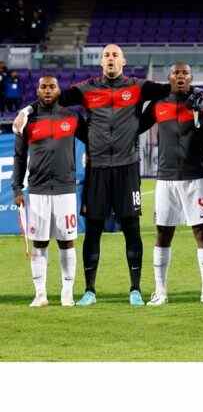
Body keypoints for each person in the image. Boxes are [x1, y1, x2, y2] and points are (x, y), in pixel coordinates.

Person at [13, 44, 171, 306]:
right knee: (94, 228)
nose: (110, 59)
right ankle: (89, 290)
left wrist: (137, 127)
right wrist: (27, 110)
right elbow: (52, 98)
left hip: (127, 167)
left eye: (115, 55)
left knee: (131, 227)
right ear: (101, 62)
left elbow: (167, 91)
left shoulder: (138, 87)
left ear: (123, 61)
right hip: (97, 168)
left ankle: (135, 289)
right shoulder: (87, 88)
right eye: (106, 55)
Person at [137, 62, 203, 306]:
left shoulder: (201, 101)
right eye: (176, 73)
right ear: (169, 77)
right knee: (163, 232)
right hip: (166, 178)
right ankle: (160, 291)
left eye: (185, 73)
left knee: (202, 231)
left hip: (196, 177)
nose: (180, 76)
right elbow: (136, 126)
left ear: (191, 77)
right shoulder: (159, 103)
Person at [12, 76, 87, 307]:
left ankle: (67, 293)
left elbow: (94, 141)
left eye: (51, 86)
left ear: (58, 90)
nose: (47, 90)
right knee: (40, 243)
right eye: (43, 87)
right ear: (37, 90)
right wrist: (17, 187)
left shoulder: (72, 117)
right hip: (38, 190)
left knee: (67, 242)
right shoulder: (27, 120)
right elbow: (19, 157)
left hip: (65, 189)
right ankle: (41, 294)